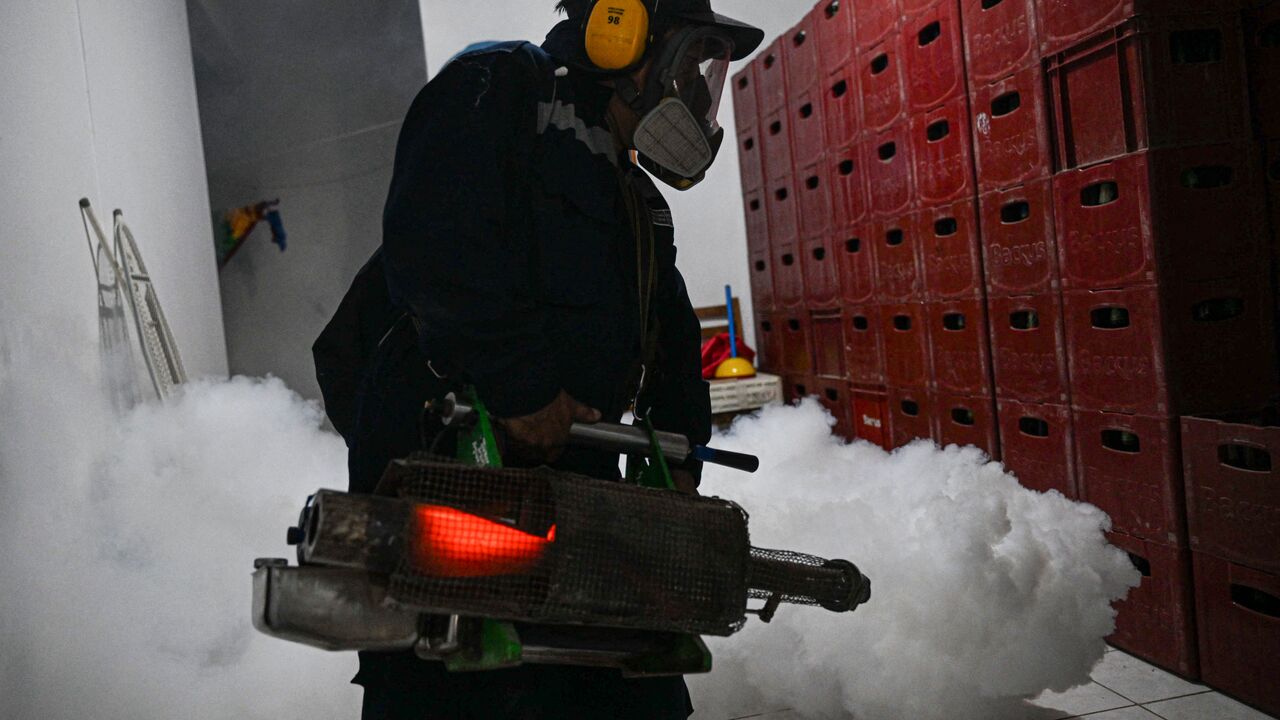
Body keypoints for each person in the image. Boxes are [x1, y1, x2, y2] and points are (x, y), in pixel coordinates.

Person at [314, 1, 763, 717]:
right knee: (457, 686)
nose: (699, 96)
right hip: (455, 481)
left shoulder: (637, 200)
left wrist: (680, 455)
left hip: (574, 492)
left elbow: (670, 337)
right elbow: (437, 247)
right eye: (689, 60)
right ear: (618, 36)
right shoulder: (501, 89)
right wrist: (522, 394)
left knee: (631, 693)